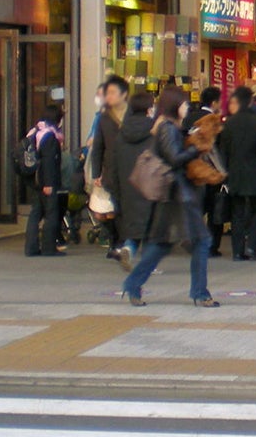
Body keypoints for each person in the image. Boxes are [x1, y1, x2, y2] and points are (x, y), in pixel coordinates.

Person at [122, 89, 209, 306]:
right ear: (175, 106)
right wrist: (195, 149)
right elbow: (174, 158)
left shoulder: (170, 127)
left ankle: (133, 285)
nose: (187, 107)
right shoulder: (167, 128)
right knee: (201, 241)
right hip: (178, 195)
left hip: (172, 195)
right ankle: (200, 293)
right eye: (185, 104)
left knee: (162, 245)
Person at [110, 91, 164, 267]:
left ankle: (128, 249)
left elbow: (113, 164)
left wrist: (116, 189)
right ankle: (148, 264)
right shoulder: (155, 131)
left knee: (134, 227)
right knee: (152, 226)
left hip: (128, 186)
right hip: (150, 185)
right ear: (149, 108)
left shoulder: (121, 134)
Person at [218, 86, 256, 261]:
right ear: (250, 102)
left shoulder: (228, 123)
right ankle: (253, 247)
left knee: (237, 213)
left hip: (235, 173)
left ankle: (237, 251)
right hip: (254, 172)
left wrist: (225, 172)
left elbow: (223, 151)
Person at [87, 76, 129, 264]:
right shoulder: (104, 118)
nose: (108, 96)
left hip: (131, 170)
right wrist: (97, 173)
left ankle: (122, 243)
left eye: (112, 92)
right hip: (111, 171)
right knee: (112, 210)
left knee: (124, 210)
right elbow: (98, 147)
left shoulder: (134, 115)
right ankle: (116, 242)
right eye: (107, 93)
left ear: (124, 94)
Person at [23, 105, 66, 258]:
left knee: (36, 213)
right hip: (46, 181)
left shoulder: (35, 132)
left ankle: (31, 247)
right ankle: (49, 247)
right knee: (51, 213)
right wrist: (49, 184)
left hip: (35, 179)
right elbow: (48, 161)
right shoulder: (49, 136)